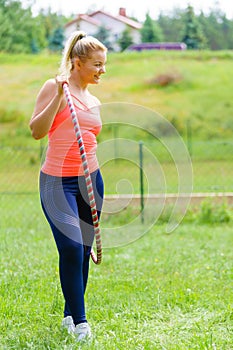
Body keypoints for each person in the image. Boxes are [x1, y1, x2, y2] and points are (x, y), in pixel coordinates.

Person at [29, 30, 107, 342]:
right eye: (97, 64)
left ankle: (70, 314)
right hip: (57, 182)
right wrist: (59, 98)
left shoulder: (94, 99)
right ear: (77, 63)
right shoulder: (54, 87)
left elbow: (90, 140)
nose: (102, 70)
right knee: (72, 247)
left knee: (84, 249)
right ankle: (82, 324)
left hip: (91, 179)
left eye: (104, 64)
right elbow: (37, 131)